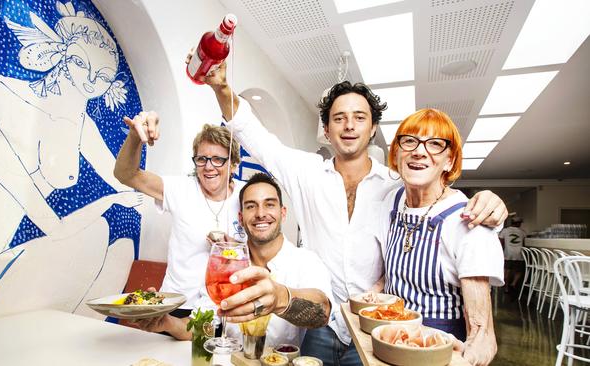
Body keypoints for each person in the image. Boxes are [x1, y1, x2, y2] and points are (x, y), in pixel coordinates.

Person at [172, 61, 508, 365]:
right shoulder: (307, 174)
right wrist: (221, 87)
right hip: (320, 322)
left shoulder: (396, 186)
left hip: (374, 326)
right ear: (327, 129)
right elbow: (257, 137)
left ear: (373, 127)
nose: (349, 125)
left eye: (359, 117)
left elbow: (437, 195)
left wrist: (488, 202)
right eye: (339, 118)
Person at [0, 1, 142, 325]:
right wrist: (111, 200)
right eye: (80, 62)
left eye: (103, 76)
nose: (91, 79)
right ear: (60, 54)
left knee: (116, 248)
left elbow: (127, 179)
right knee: (95, 234)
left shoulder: (81, 126)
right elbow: (55, 224)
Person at [135, 173, 334, 348]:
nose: (260, 213)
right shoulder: (225, 265)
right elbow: (204, 326)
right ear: (241, 217)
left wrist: (279, 298)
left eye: (269, 204)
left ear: (283, 213)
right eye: (251, 206)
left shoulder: (305, 261)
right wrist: (168, 323)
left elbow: (322, 312)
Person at [372, 109, 504, 365]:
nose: (419, 151)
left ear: (449, 161)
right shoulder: (393, 200)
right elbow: (393, 272)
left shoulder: (469, 224)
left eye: (435, 144)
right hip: (387, 342)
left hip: (437, 352)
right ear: (396, 153)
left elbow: (484, 338)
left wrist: (462, 359)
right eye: (409, 141)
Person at [114, 117, 245, 314]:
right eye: (202, 159)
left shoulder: (248, 196)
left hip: (226, 305)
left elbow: (265, 246)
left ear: (233, 165)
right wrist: (135, 136)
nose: (209, 167)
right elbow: (126, 174)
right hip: (177, 305)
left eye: (218, 159)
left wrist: (233, 250)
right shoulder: (180, 189)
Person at [499, 216, 526, 293]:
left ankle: (506, 287)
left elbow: (501, 243)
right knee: (519, 271)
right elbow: (524, 244)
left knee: (507, 271)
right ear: (518, 223)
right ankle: (513, 283)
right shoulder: (522, 232)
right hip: (519, 254)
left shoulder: (505, 231)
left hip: (508, 254)